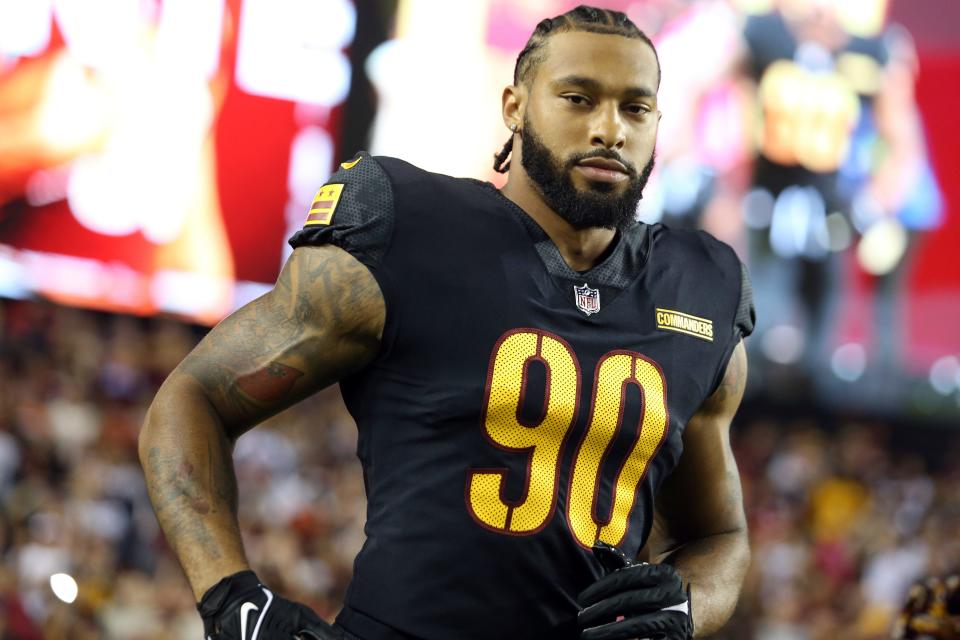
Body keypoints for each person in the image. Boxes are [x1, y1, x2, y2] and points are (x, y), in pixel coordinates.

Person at [139, 6, 755, 639]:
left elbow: (719, 536)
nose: (609, 129)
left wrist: (688, 605)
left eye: (635, 108)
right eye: (577, 98)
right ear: (514, 107)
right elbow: (192, 398)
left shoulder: (703, 286)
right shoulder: (410, 228)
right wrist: (233, 600)